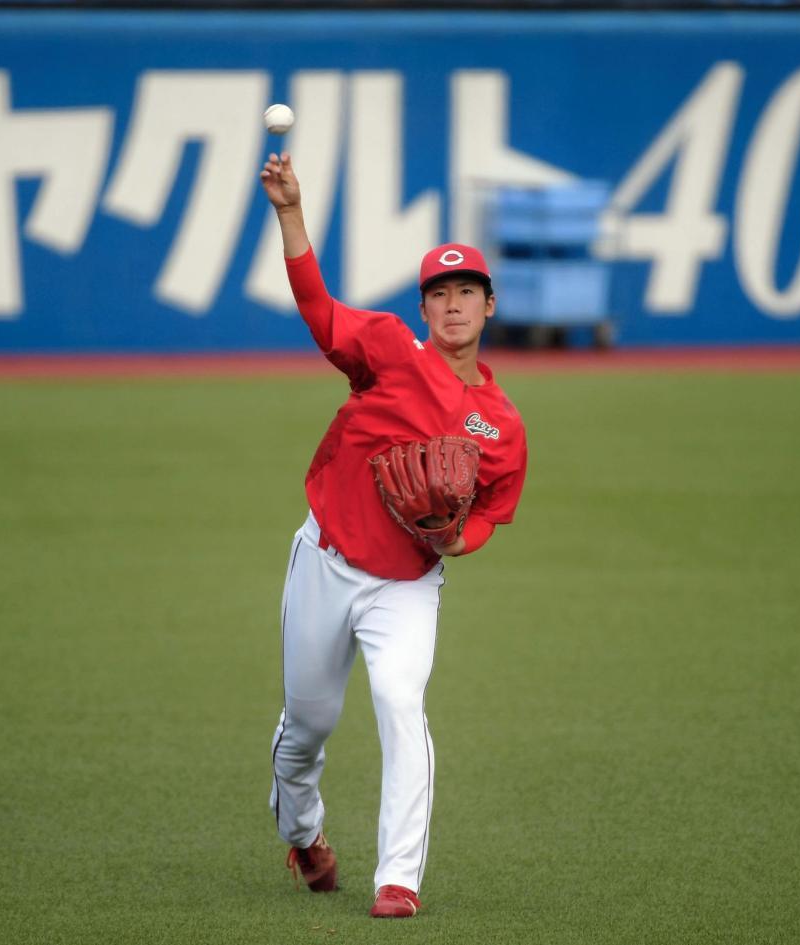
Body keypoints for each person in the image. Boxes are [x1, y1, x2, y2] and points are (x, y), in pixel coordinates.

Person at [261, 151, 528, 919]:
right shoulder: (383, 350)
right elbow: (316, 307)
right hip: (326, 558)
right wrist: (290, 213)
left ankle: (397, 877)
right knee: (308, 725)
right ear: (424, 308)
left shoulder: (503, 425)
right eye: (440, 293)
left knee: (399, 703)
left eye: (466, 292)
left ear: (488, 305)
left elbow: (492, 509)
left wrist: (455, 544)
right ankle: (304, 834)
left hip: (407, 584)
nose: (453, 305)